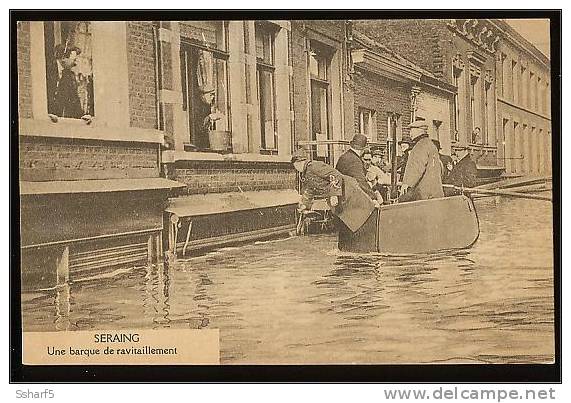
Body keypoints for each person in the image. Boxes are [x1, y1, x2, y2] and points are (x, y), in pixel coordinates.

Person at [291, 150, 376, 234]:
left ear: (299, 162)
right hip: (341, 197)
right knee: (352, 221)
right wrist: (304, 205)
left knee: (361, 217)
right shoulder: (306, 173)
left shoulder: (314, 166)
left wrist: (334, 195)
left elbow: (335, 175)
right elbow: (309, 190)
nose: (296, 168)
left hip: (347, 192)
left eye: (295, 165)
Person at [399, 120, 445, 202]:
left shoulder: (420, 146)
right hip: (434, 193)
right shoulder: (430, 144)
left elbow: (416, 167)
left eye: (411, 130)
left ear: (419, 131)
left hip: (424, 195)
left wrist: (407, 184)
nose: (410, 134)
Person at [335, 134, 378, 202]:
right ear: (363, 149)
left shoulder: (345, 156)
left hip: (341, 194)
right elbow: (360, 181)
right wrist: (373, 197)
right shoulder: (354, 160)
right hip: (349, 199)